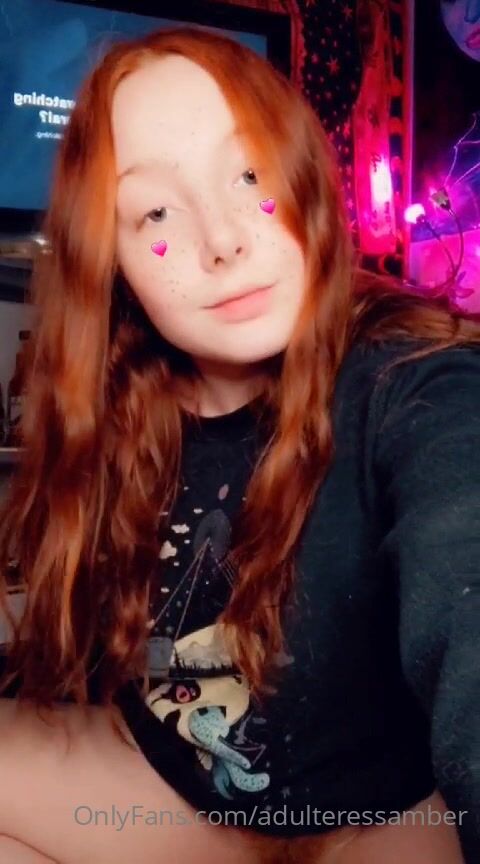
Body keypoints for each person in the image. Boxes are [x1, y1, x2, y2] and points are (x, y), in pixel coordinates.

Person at [0, 24, 478, 864]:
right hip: (177, 802)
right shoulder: (125, 407)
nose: (222, 240)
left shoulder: (414, 382)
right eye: (155, 212)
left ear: (304, 175)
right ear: (111, 260)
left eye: (250, 174)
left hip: (378, 825)